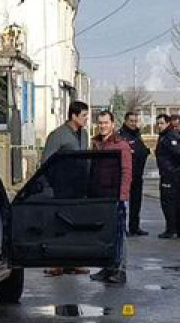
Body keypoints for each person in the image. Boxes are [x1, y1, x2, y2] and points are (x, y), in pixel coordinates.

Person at [42, 101, 90, 277]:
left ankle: (75, 262)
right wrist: (53, 184)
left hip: (79, 187)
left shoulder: (84, 135)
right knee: (59, 225)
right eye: (84, 116)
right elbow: (47, 161)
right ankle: (57, 263)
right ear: (73, 116)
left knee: (77, 225)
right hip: (62, 187)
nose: (86, 119)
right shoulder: (58, 135)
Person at [90, 111, 134, 285]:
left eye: (106, 123)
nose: (103, 126)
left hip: (116, 197)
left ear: (113, 124)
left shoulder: (121, 145)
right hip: (101, 196)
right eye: (100, 123)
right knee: (105, 234)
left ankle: (120, 270)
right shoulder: (97, 144)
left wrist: (123, 196)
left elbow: (126, 172)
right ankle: (107, 268)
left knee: (120, 234)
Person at [155, 113, 180, 239]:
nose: (159, 126)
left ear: (168, 123)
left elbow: (178, 152)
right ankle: (179, 229)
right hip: (170, 173)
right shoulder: (164, 136)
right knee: (176, 202)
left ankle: (172, 229)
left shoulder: (170, 136)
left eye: (161, 123)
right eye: (157, 123)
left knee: (169, 202)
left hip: (171, 174)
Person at [118, 113, 151, 236]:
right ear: (125, 121)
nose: (133, 123)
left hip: (138, 174)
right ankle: (122, 227)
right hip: (126, 175)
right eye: (131, 121)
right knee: (123, 204)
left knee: (136, 203)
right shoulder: (121, 136)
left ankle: (134, 227)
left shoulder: (137, 134)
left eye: (135, 121)